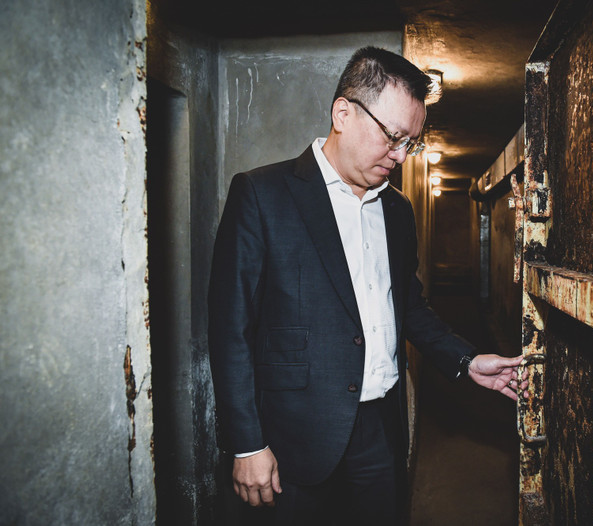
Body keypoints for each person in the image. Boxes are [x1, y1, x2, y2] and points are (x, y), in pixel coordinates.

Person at [207, 46, 526, 525]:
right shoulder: (261, 194)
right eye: (393, 137)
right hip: (291, 443)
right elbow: (230, 329)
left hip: (381, 432)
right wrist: (247, 443)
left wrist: (466, 358)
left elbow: (409, 306)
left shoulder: (397, 210)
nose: (400, 156)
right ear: (343, 113)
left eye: (410, 143)